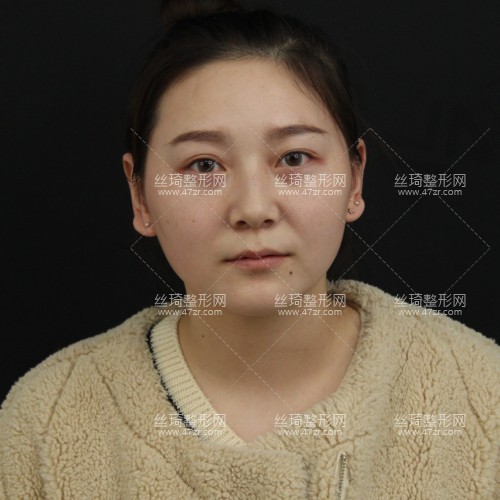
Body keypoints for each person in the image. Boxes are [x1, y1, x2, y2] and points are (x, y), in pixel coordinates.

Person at [1, 0, 498, 498]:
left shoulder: (481, 395)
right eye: (203, 165)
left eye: (294, 158)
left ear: (354, 179)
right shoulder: (45, 424)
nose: (253, 208)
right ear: (140, 195)